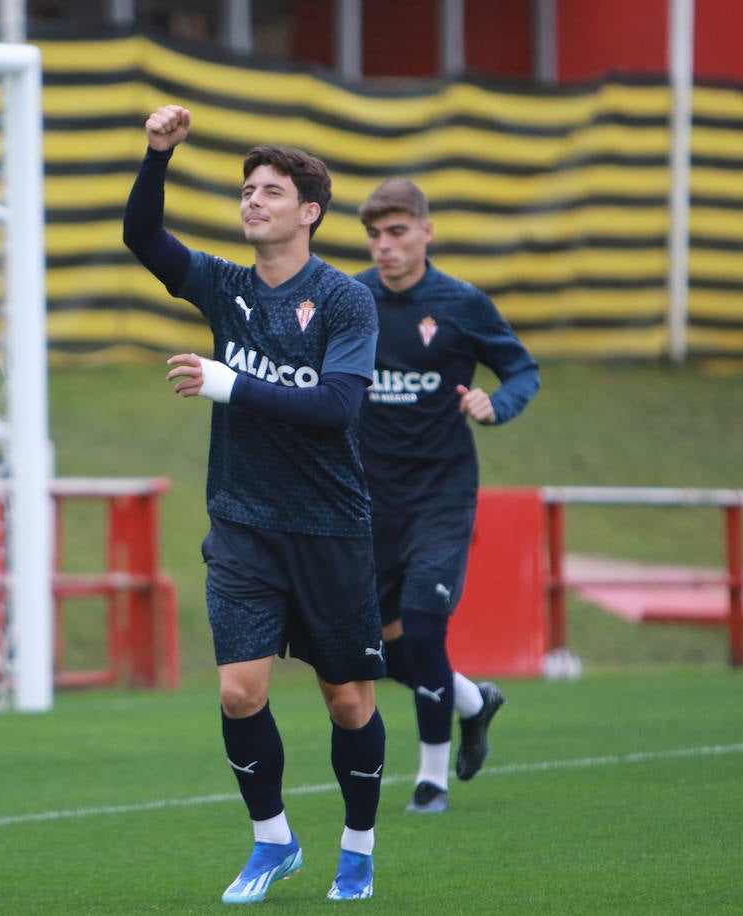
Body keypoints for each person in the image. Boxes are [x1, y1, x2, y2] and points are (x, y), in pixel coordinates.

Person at [124, 104, 387, 904]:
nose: (252, 200)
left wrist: (229, 381)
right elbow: (144, 238)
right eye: (246, 189)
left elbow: (337, 408)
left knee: (347, 702)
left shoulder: (345, 301)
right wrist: (157, 155)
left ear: (308, 211)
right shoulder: (224, 287)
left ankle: (358, 848)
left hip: (332, 527)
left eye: (270, 190)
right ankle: (272, 841)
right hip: (243, 524)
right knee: (240, 690)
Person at [353, 177, 539, 814]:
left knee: (426, 630)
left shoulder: (460, 304)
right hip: (367, 499)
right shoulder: (349, 299)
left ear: (427, 232)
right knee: (366, 650)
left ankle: (430, 780)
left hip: (441, 494)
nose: (385, 247)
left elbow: (522, 368)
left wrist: (498, 402)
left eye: (398, 232)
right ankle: (472, 701)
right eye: (374, 235)